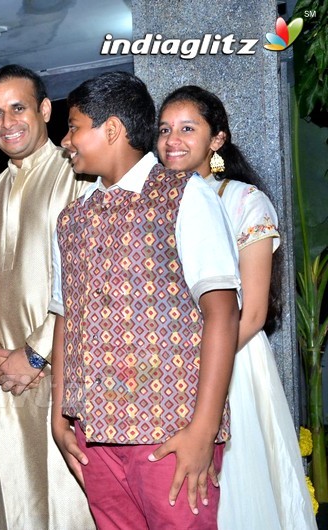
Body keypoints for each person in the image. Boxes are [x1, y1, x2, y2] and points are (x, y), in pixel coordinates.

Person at [49, 72, 241, 530]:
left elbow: (223, 314)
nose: (66, 140)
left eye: (74, 126)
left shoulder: (184, 196)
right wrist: (59, 417)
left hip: (171, 432)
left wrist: (202, 430)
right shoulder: (71, 218)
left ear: (111, 130)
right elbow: (64, 319)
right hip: (94, 435)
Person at [157, 85, 317, 530]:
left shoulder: (244, 202)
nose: (173, 139)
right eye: (165, 129)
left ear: (217, 140)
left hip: (231, 366)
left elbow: (253, 314)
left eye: (188, 129)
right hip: (167, 369)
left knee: (234, 494)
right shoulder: (152, 207)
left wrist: (193, 366)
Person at [0, 64, 94, 529]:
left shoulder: (77, 173)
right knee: (17, 500)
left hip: (67, 366)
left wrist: (36, 355)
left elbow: (87, 275)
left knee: (71, 498)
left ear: (44, 109)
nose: (7, 123)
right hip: (6, 380)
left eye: (18, 108)